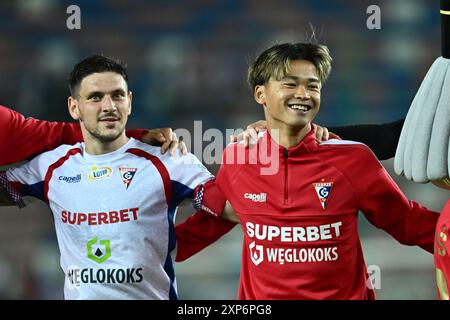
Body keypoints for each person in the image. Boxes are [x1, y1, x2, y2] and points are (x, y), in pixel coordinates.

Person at [177, 42, 440, 299]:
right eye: (290, 84)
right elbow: (210, 223)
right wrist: (145, 247)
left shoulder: (353, 160)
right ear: (261, 94)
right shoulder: (238, 158)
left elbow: (406, 221)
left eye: (313, 86)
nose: (303, 94)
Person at [0, 54, 215, 299]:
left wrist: (178, 242)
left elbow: (229, 205)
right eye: (95, 97)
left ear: (130, 101)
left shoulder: (169, 158)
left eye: (117, 95)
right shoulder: (51, 167)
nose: (109, 106)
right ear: (74, 106)